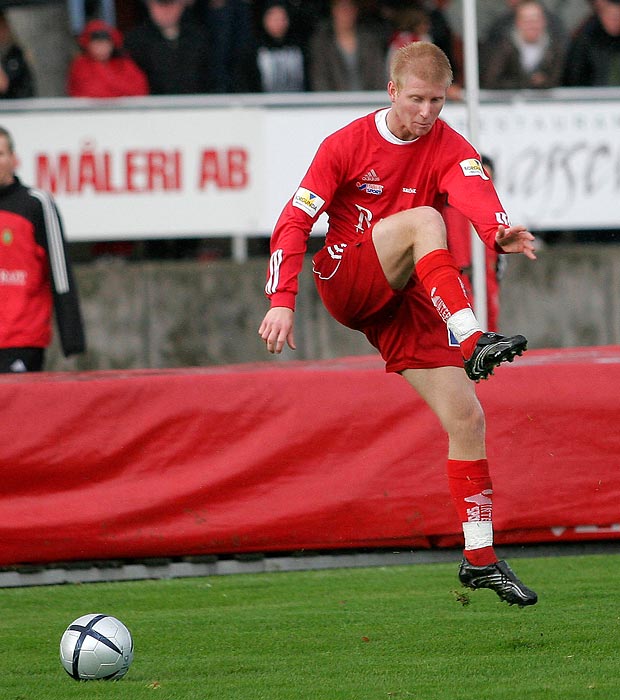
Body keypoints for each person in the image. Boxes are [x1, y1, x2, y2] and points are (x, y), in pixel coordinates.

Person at [258, 41, 538, 606]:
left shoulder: (449, 144)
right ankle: (472, 338)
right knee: (425, 220)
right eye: (416, 99)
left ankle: (479, 557)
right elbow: (292, 222)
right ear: (391, 92)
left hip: (397, 298)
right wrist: (281, 297)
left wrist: (497, 230)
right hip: (342, 276)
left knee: (467, 418)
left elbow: (475, 189)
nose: (427, 112)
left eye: (437, 101)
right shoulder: (346, 145)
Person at [0, 126, 85, 373]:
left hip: (21, 339)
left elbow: (60, 272)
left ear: (14, 159)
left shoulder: (36, 204)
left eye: (0, 153)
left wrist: (72, 337)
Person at [443, 155, 504, 332]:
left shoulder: (493, 213)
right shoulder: (451, 210)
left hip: (486, 274)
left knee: (489, 318)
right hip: (462, 274)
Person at [124, 0, 214, 95]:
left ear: (182, 6)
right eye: (160, 5)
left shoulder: (198, 37)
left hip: (197, 103)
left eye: (172, 5)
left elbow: (211, 75)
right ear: (149, 6)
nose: (166, 11)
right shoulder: (135, 41)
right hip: (152, 104)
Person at [481, 0, 565, 90]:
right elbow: (490, 80)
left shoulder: (554, 47)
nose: (532, 25)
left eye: (536, 20)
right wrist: (526, 82)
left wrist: (543, 82)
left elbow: (559, 78)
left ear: (544, 22)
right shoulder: (504, 47)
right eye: (527, 21)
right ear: (518, 23)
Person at [308, 0, 386, 91]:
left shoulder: (369, 41)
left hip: (368, 100)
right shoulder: (322, 43)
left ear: (356, 11)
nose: (346, 13)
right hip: (333, 102)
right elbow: (319, 79)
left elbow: (378, 75)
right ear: (333, 10)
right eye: (342, 8)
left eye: (349, 8)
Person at [66, 19, 149, 97]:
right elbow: (90, 92)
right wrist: (119, 91)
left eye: (106, 44)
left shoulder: (124, 64)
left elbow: (140, 89)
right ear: (88, 45)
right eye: (97, 44)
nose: (102, 48)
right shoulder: (81, 65)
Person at [252, 1, 308, 93]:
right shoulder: (253, 50)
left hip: (298, 103)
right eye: (273, 18)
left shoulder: (300, 46)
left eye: (282, 18)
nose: (278, 23)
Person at [562, 0, 620, 86]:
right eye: (609, 16)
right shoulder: (587, 40)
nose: (613, 21)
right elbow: (574, 74)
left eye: (617, 17)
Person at [0, 11, 36, 99]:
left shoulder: (16, 54)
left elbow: (2, 84)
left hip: (20, 107)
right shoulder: (4, 52)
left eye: (2, 27)